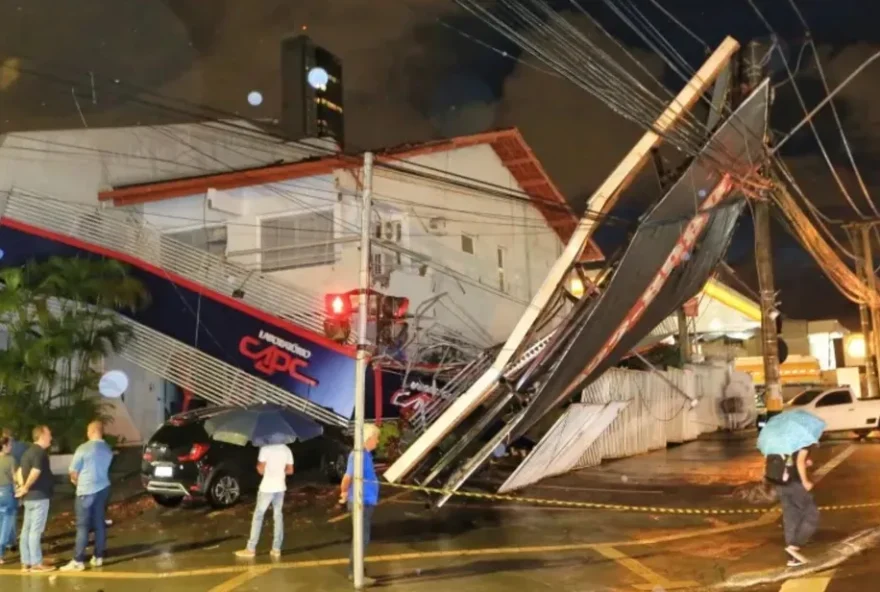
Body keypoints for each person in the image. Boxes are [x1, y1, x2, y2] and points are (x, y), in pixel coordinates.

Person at [60, 421, 114, 572]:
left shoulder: (83, 448)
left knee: (83, 526)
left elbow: (73, 471)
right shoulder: (107, 449)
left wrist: (76, 481)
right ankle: (98, 557)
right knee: (99, 523)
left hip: (86, 491)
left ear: (90, 431)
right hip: (103, 488)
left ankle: (78, 560)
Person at [234, 442, 294, 559]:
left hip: (267, 487)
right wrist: (280, 471)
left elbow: (261, 470)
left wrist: (259, 466)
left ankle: (251, 548)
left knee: (258, 516)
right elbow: (290, 470)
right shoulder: (286, 449)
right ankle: (276, 549)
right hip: (280, 487)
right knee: (278, 516)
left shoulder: (265, 449)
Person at [339, 423, 381, 587]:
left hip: (365, 502)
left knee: (362, 538)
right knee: (361, 539)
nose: (377, 442)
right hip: (360, 503)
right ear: (368, 438)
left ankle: (357, 571)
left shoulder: (366, 455)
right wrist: (343, 492)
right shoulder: (358, 455)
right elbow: (347, 478)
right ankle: (355, 574)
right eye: (376, 438)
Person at [16, 425, 55, 573]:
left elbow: (19, 471)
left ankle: (26, 562)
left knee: (27, 529)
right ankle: (36, 563)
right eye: (49, 434)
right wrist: (25, 486)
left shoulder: (27, 453)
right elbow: (36, 471)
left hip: (29, 498)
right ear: (42, 436)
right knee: (35, 530)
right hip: (39, 496)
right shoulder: (40, 453)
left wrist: (22, 486)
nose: (51, 437)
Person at [776, 445, 819, 567]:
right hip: (796, 484)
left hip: (781, 484)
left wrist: (805, 462)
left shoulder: (780, 438)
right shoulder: (802, 440)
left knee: (790, 520)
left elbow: (788, 461)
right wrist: (805, 481)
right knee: (812, 516)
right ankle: (795, 545)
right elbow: (799, 461)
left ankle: (792, 559)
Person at [1, 427, 27, 555]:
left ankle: (8, 541)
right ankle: (8, 544)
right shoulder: (19, 450)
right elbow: (17, 475)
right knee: (10, 517)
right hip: (11, 488)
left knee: (3, 518)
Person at [0, 436, 17, 565]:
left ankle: (11, 542)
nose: (11, 447)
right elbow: (15, 478)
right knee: (7, 521)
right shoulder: (10, 459)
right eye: (10, 445)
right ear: (4, 446)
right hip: (7, 492)